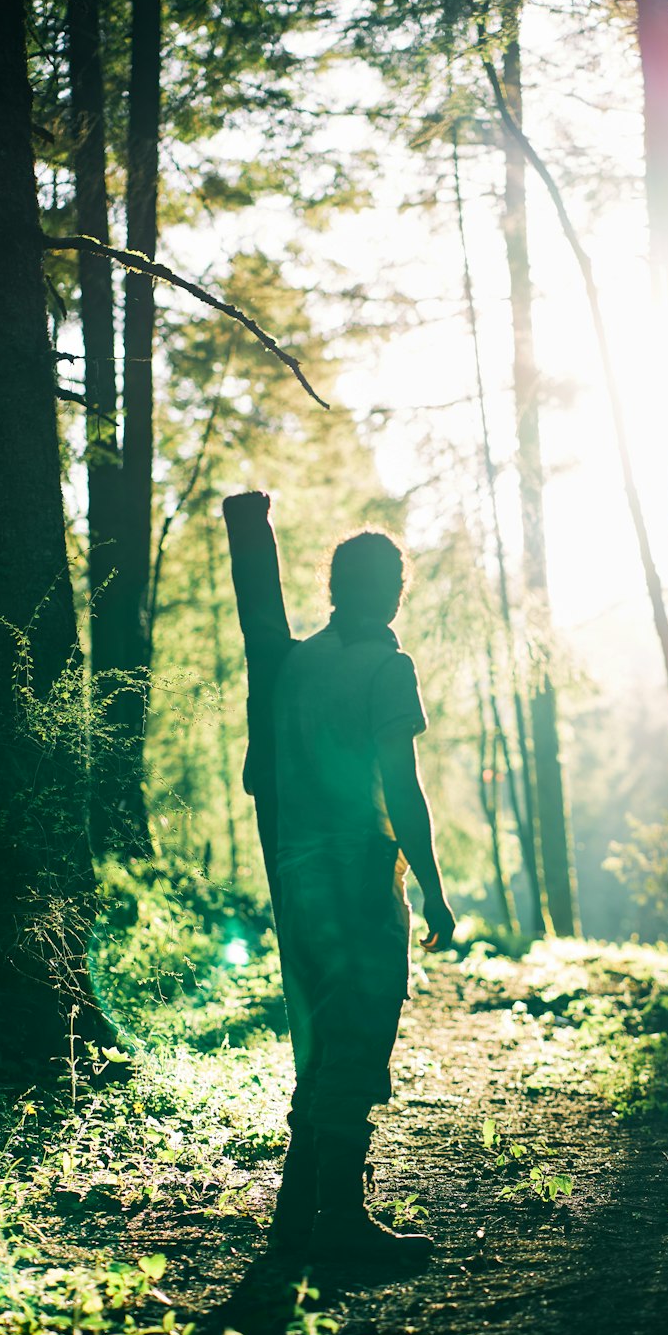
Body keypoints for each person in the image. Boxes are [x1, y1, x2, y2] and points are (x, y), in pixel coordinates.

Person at [268, 530, 455, 1264]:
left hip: (298, 875)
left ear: (334, 585)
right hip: (358, 872)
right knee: (354, 1042)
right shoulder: (387, 667)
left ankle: (297, 1215)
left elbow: (266, 770)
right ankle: (339, 1223)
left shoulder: (295, 664)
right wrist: (434, 889)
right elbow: (401, 789)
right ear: (395, 589)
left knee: (321, 1041)